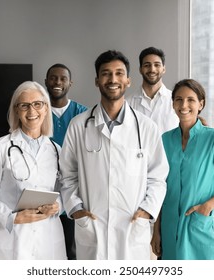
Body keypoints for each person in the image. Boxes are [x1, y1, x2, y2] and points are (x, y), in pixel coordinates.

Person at [60, 50, 169, 260]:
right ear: (96, 80)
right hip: (92, 229)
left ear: (128, 80)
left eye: (119, 73)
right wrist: (76, 210)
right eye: (106, 74)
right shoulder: (78, 125)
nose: (113, 79)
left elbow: (158, 177)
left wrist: (147, 211)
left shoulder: (146, 127)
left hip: (132, 230)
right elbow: (67, 175)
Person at [0, 81, 67, 260]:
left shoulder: (56, 150)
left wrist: (58, 206)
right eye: (24, 105)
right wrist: (12, 217)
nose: (32, 111)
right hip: (12, 238)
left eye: (37, 104)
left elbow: (64, 192)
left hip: (48, 238)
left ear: (46, 109)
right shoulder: (0, 146)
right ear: (16, 110)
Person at [151, 79, 214, 260]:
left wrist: (208, 206)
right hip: (169, 230)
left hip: (199, 227)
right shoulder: (165, 140)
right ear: (173, 104)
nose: (184, 105)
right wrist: (156, 231)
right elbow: (159, 187)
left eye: (190, 100)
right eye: (178, 99)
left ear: (201, 104)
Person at [45, 63, 87, 260]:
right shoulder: (38, 112)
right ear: (46, 82)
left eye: (63, 78)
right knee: (47, 249)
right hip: (45, 187)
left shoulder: (84, 114)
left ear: (70, 83)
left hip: (75, 188)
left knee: (73, 249)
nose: (58, 82)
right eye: (53, 78)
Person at [126, 46, 178, 134]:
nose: (152, 69)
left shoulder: (176, 100)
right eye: (147, 65)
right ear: (140, 69)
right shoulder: (127, 104)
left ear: (164, 69)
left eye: (157, 65)